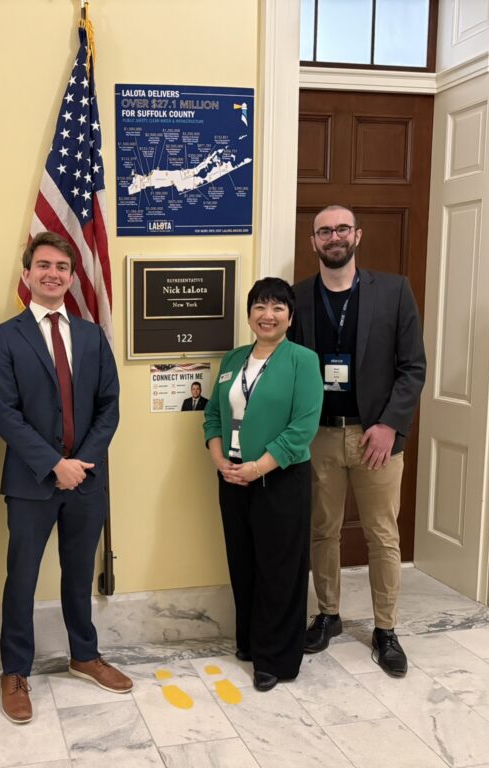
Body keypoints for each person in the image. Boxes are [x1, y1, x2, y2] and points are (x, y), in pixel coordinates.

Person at [0, 231, 129, 724]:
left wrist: (81, 462)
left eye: (61, 268)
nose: (52, 274)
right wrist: (53, 464)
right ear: (27, 274)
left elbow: (109, 406)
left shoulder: (91, 336)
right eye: (43, 265)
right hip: (31, 482)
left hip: (87, 478)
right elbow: (5, 414)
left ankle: (84, 654)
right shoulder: (6, 336)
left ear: (71, 277)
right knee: (21, 578)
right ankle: (14, 670)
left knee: (78, 572)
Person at [290, 204, 426, 678]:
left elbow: (413, 367)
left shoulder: (393, 291)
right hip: (320, 436)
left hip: (377, 438)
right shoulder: (298, 297)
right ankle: (327, 614)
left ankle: (386, 629)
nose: (334, 237)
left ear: (358, 235)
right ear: (313, 242)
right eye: (324, 231)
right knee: (321, 531)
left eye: (341, 229)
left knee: (382, 536)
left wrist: (391, 424)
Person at [203, 277, 323, 692]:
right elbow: (213, 417)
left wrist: (259, 467)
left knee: (280, 570)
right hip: (232, 478)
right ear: (249, 313)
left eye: (277, 308)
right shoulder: (233, 359)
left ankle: (276, 658)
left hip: (281, 478)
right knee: (244, 564)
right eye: (259, 306)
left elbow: (302, 428)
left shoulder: (303, 361)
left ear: (289, 317)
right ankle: (251, 643)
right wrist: (221, 460)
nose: (267, 315)